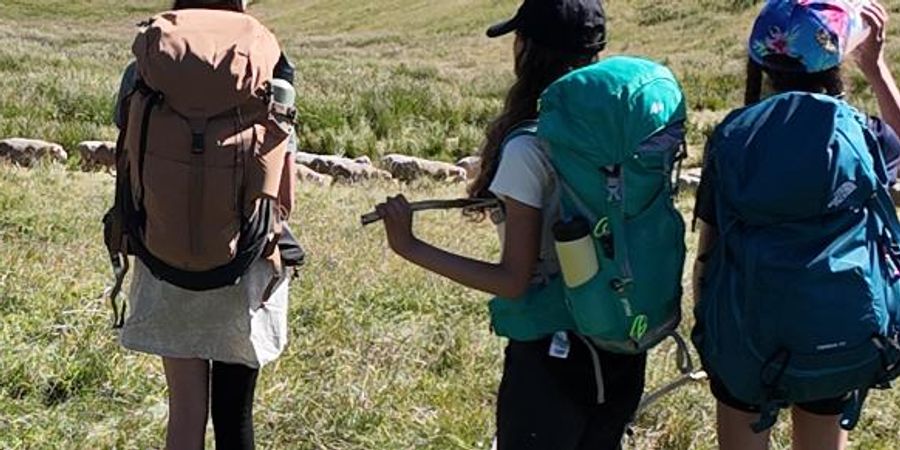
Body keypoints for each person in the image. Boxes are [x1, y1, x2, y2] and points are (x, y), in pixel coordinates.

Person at [376, 1, 652, 448]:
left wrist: (410, 246)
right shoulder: (621, 133)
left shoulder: (530, 147)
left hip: (553, 358)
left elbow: (514, 280)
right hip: (622, 341)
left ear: (526, 50)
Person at [692, 1, 900, 449]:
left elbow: (709, 250)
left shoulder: (732, 136)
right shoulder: (863, 132)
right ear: (837, 61)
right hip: (838, 328)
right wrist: (876, 66)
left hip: (745, 329)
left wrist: (708, 333)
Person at [111, 1, 297, 449]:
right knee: (235, 417)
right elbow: (283, 162)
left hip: (163, 248)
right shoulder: (269, 56)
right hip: (245, 253)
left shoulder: (152, 55)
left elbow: (127, 141)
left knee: (185, 414)